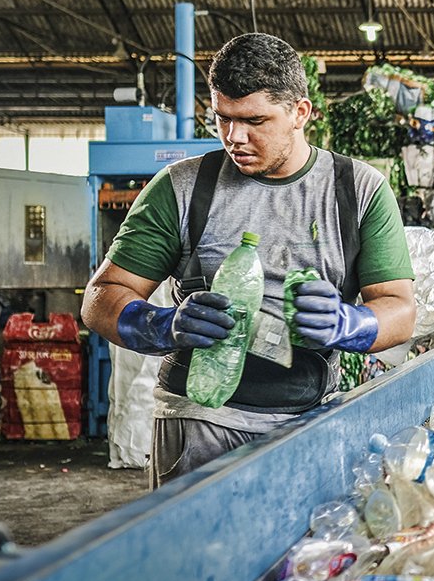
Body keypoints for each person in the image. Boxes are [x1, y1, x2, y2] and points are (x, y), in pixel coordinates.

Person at [82, 33, 417, 488]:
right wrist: (159, 324)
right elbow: (100, 298)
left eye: (254, 120)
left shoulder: (356, 190)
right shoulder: (182, 188)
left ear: (300, 113)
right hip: (198, 422)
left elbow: (399, 308)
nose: (234, 137)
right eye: (223, 119)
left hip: (308, 421)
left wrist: (350, 324)